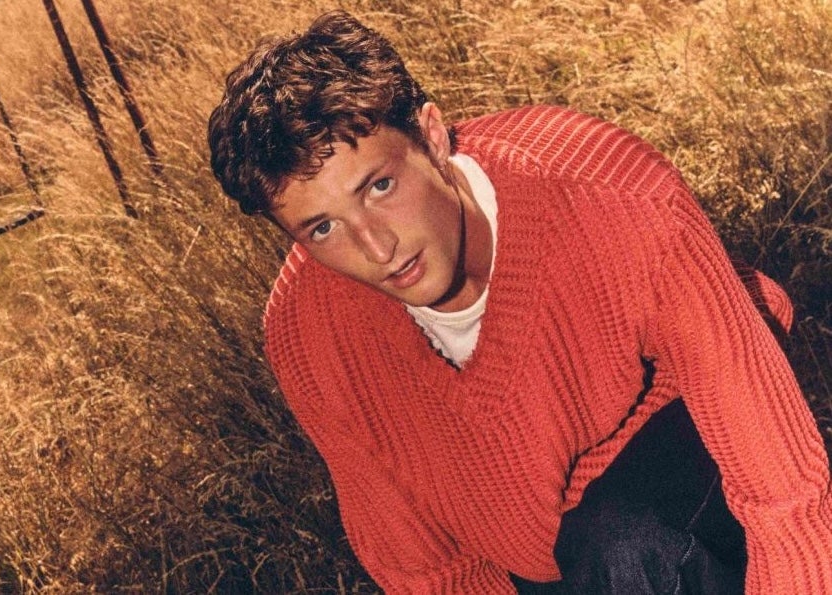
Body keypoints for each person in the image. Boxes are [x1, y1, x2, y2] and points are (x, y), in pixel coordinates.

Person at [207, 10, 832, 594]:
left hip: (681, 433)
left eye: (379, 185)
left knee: (620, 545)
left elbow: (784, 491)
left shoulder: (616, 198)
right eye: (321, 228)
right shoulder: (307, 336)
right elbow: (425, 566)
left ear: (430, 137)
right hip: (541, 540)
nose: (374, 246)